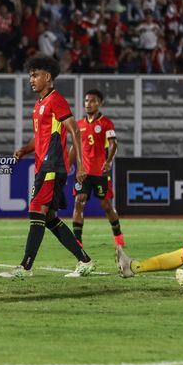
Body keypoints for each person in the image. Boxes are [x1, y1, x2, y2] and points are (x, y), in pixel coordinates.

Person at [0, 55, 95, 279]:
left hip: (53, 165)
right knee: (49, 218)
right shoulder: (39, 104)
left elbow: (75, 130)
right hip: (44, 165)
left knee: (35, 210)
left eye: (35, 75)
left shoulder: (55, 100)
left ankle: (25, 267)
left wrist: (80, 165)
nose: (31, 79)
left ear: (47, 77)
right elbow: (40, 138)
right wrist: (25, 149)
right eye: (30, 75)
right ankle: (85, 261)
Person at [70, 89, 124, 247]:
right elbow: (75, 147)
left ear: (99, 104)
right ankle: (77, 240)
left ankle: (118, 234)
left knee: (105, 205)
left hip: (100, 171)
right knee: (79, 201)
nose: (88, 104)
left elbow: (114, 143)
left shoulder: (106, 123)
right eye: (86, 101)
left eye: (92, 101)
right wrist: (67, 165)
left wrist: (108, 161)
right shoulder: (78, 125)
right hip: (83, 171)